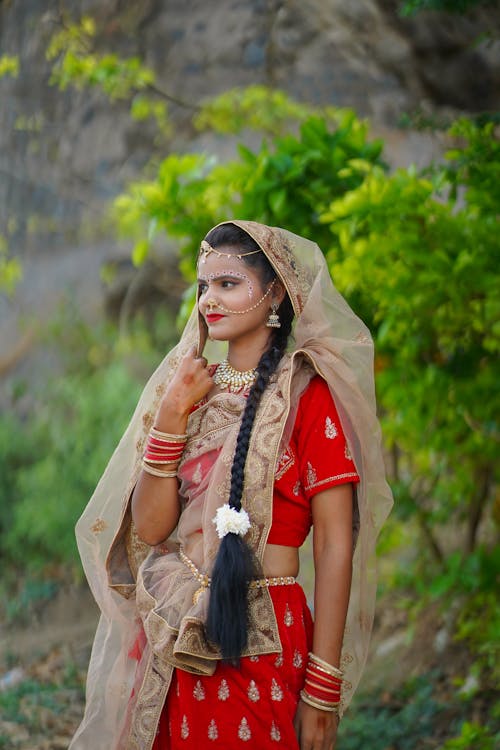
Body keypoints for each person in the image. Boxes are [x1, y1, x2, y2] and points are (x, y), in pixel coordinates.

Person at [70, 221, 393, 750]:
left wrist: (324, 687)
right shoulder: (190, 391)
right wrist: (173, 415)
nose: (207, 301)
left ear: (273, 294)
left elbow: (336, 545)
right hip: (176, 633)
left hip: (261, 640)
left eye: (227, 284)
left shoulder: (309, 397)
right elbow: (152, 527)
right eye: (203, 287)